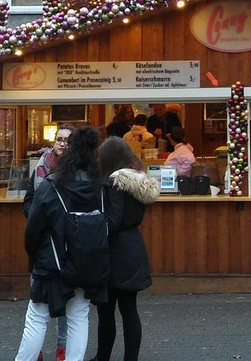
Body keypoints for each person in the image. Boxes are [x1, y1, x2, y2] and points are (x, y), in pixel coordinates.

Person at [16, 126, 109, 361]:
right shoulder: (99, 188)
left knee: (37, 317)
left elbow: (33, 229)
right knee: (79, 316)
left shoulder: (50, 185)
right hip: (87, 262)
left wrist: (35, 256)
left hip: (52, 262)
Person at [88, 137, 159, 361]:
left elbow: (113, 220)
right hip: (133, 248)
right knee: (130, 311)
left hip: (114, 253)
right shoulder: (137, 182)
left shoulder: (114, 184)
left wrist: (93, 228)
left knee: (106, 313)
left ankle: (102, 358)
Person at [21, 125, 73, 361]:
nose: (62, 144)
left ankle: (63, 348)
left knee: (64, 299)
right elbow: (30, 198)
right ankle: (36, 349)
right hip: (42, 242)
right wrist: (35, 216)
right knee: (38, 298)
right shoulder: (41, 166)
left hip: (65, 244)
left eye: (67, 141)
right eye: (59, 139)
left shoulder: (77, 170)